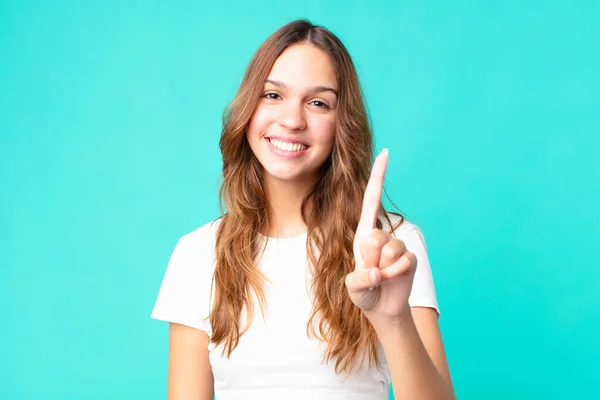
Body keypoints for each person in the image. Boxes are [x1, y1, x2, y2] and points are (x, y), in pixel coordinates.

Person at [151, 19, 455, 400]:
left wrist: (394, 320)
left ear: (342, 123)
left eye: (318, 103)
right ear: (248, 108)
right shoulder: (196, 254)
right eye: (273, 95)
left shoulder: (393, 246)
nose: (292, 121)